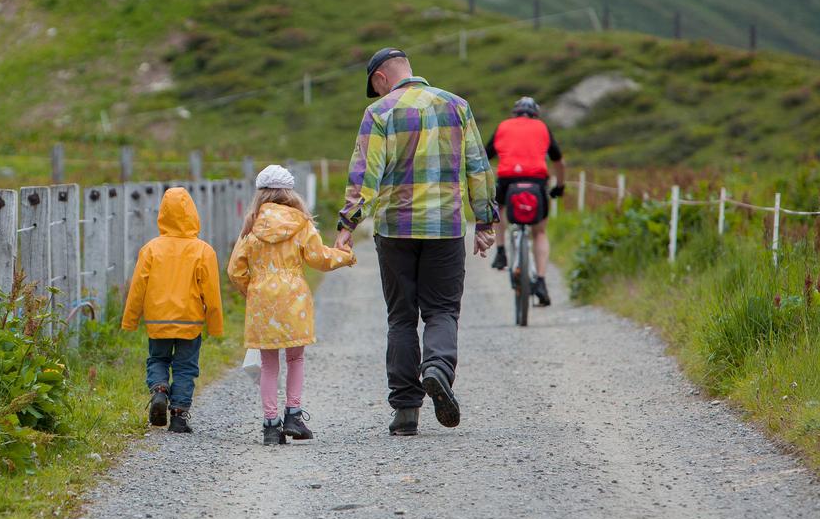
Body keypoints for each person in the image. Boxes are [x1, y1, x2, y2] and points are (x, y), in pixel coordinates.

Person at [335, 47, 498, 436]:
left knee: (401, 317)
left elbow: (365, 174)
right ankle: (438, 368)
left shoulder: (379, 113)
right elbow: (478, 166)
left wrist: (347, 224)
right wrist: (486, 221)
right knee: (442, 310)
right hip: (445, 226)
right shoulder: (457, 106)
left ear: (380, 78)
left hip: (394, 230)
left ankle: (406, 411)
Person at [228, 165, 355, 445]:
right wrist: (345, 256)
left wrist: (252, 291)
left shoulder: (251, 225)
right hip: (294, 297)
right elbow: (319, 258)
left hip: (262, 299)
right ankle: (294, 415)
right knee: (295, 358)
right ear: (290, 192)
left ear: (261, 194)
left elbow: (235, 270)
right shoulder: (301, 223)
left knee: (268, 363)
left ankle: (270, 425)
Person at [121, 186, 224, 434]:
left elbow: (137, 288)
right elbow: (211, 292)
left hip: (157, 320)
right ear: (192, 214)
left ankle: (159, 390)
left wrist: (130, 320)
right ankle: (178, 416)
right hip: (190, 321)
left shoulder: (151, 249)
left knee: (158, 359)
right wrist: (215, 324)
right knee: (185, 368)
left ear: (163, 214)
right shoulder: (203, 250)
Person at [486, 97, 566, 307]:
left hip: (507, 180)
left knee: (499, 208)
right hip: (536, 182)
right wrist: (560, 186)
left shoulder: (503, 126)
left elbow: (485, 156)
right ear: (535, 114)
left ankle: (501, 251)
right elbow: (559, 161)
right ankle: (540, 280)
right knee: (539, 232)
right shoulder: (542, 127)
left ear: (515, 113)